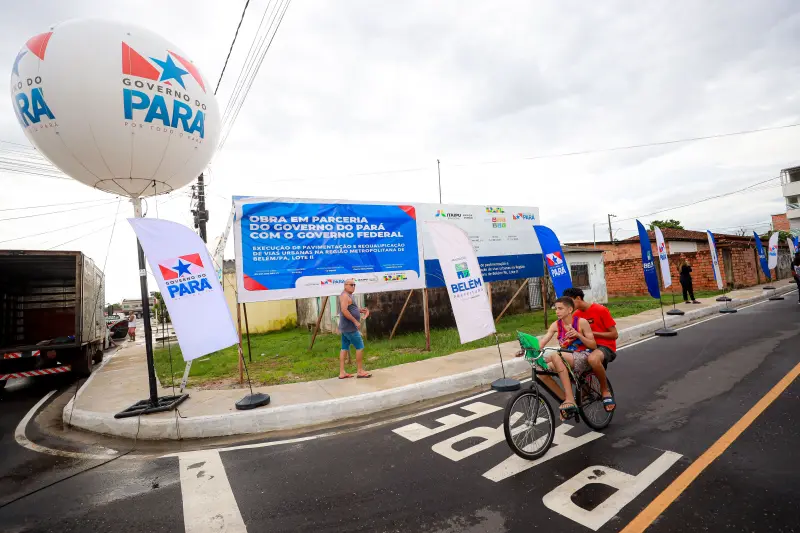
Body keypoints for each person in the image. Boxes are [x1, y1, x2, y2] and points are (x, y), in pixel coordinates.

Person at [536, 296, 596, 420]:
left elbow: (593, 345)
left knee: (555, 355)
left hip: (583, 356)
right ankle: (566, 401)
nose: (557, 311)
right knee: (541, 371)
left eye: (560, 308)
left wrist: (578, 334)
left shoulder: (581, 322)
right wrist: (528, 349)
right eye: (556, 309)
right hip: (565, 357)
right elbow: (542, 343)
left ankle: (570, 399)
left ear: (569, 310)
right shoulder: (555, 325)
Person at [563, 287, 617, 412]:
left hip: (604, 347)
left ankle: (604, 390)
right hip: (585, 347)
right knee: (563, 364)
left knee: (593, 359)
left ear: (578, 298)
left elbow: (614, 334)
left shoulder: (600, 310)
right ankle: (586, 391)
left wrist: (592, 333)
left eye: (570, 302)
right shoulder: (576, 315)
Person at [338, 279, 372, 379]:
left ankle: (342, 372)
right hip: (350, 328)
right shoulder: (345, 296)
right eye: (351, 285)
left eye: (354, 285)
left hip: (345, 328)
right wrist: (355, 321)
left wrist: (359, 310)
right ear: (345, 286)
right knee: (360, 346)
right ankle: (360, 371)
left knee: (344, 348)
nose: (353, 286)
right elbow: (344, 310)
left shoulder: (348, 295)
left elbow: (350, 308)